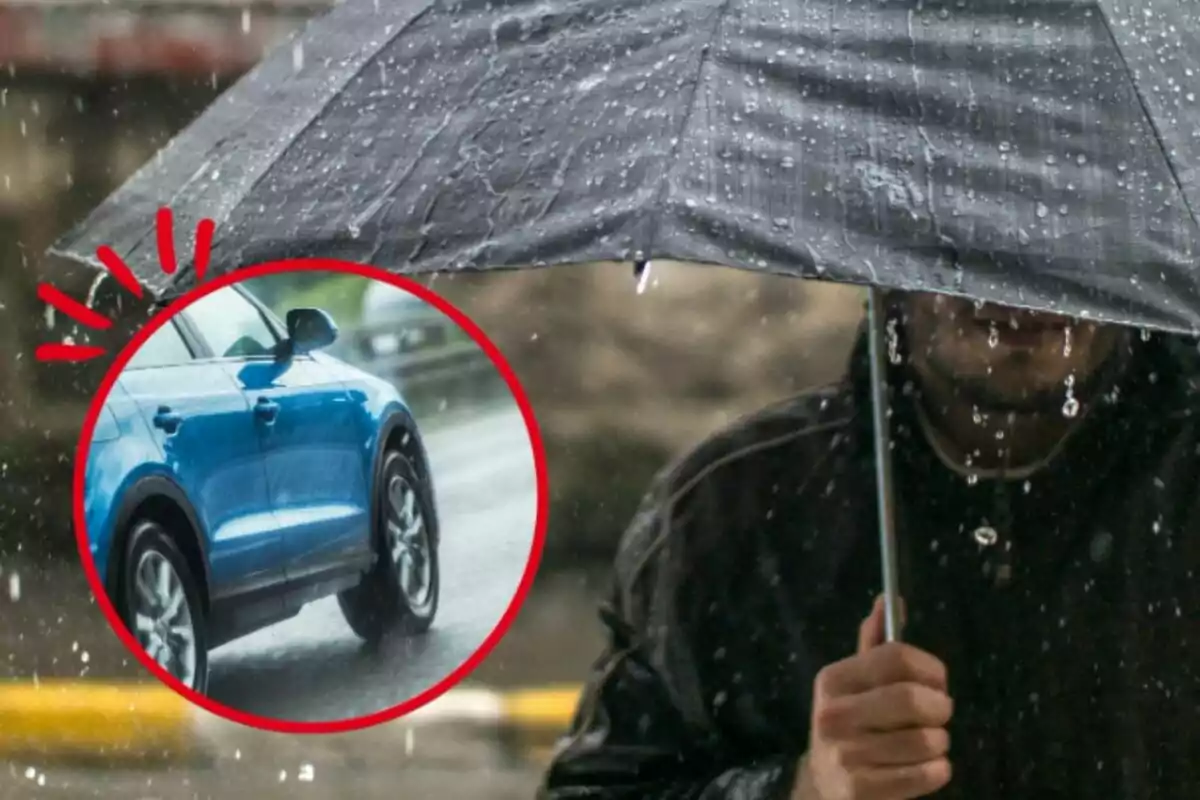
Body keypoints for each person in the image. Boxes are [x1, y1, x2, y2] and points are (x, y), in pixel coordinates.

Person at [539, 291, 1200, 800]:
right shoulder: (731, 512)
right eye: (973, 237)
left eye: (1066, 228)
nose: (1021, 284)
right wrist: (802, 787)